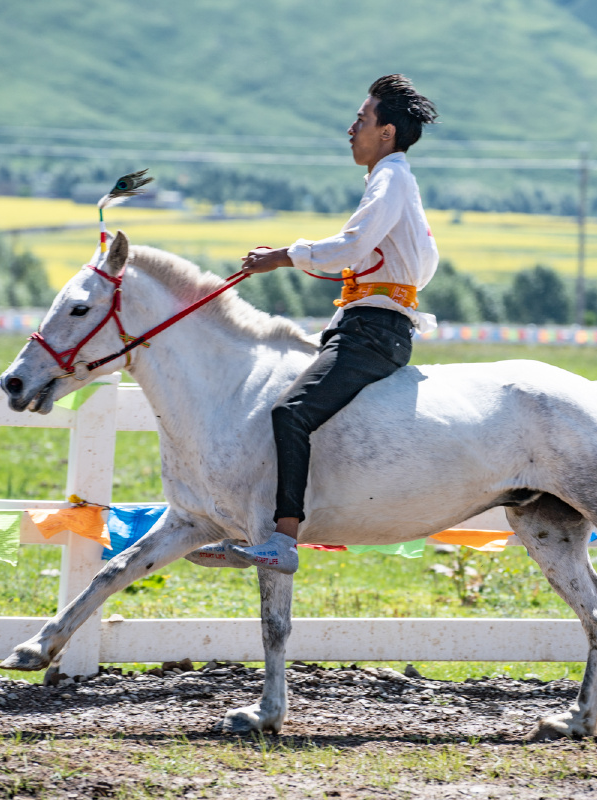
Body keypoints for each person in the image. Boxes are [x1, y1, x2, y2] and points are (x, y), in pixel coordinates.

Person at [226, 74, 440, 575]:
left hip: (371, 331)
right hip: (370, 325)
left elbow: (349, 247)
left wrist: (282, 256)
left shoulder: (390, 180)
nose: (351, 129)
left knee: (290, 414)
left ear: (386, 132)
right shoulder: (397, 183)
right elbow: (416, 263)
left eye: (361, 120)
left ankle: (281, 540)